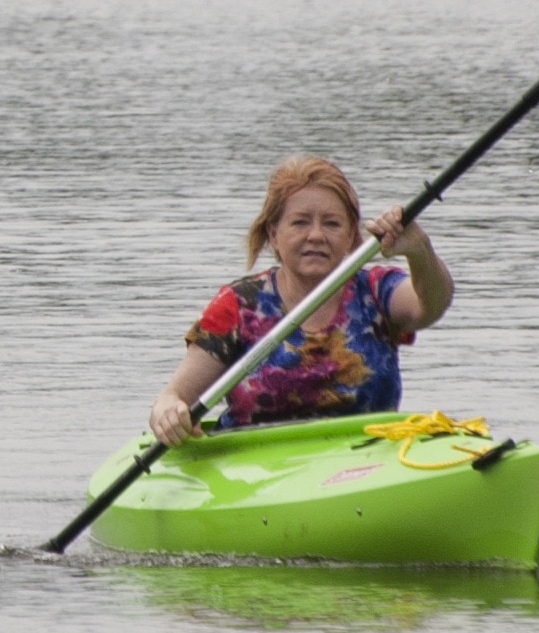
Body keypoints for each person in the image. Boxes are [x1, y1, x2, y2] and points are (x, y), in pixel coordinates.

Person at [146, 154, 452, 441]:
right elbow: (172, 398)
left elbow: (429, 307)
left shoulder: (375, 289)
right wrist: (170, 414)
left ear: (350, 237)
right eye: (300, 222)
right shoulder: (239, 305)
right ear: (274, 233)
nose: (316, 235)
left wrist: (420, 251)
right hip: (259, 473)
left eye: (332, 223)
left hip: (364, 465)